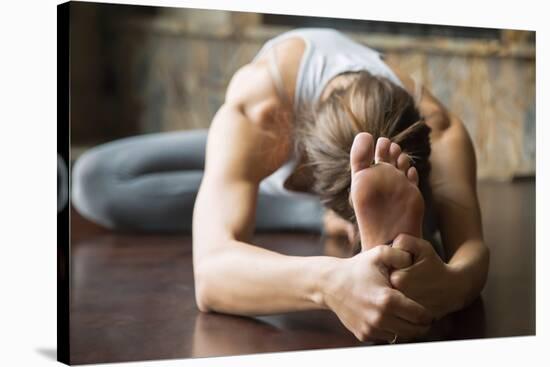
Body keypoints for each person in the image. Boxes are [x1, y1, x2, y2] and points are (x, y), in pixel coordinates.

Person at [72, 28, 489, 343]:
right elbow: (211, 275)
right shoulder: (262, 108)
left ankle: (387, 231)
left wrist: (450, 285)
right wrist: (330, 282)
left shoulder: (439, 128)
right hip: (272, 165)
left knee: (431, 204)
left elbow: (472, 250)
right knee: (95, 179)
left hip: (386, 173)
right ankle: (333, 222)